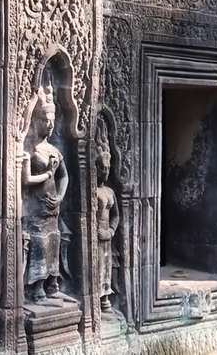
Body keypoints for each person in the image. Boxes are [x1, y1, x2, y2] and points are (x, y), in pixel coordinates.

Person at [22, 78, 69, 303]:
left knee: (54, 241)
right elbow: (26, 180)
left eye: (52, 120)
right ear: (36, 120)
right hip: (35, 210)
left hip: (53, 210)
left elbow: (65, 176)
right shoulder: (30, 151)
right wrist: (46, 175)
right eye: (45, 119)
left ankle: (53, 284)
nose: (49, 124)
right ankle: (37, 287)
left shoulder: (53, 150)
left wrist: (60, 196)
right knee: (39, 244)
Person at [94, 116, 119, 311]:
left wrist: (111, 230)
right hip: (94, 236)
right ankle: (96, 296)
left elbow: (116, 215)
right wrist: (96, 233)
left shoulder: (110, 192)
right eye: (102, 167)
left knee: (106, 267)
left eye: (108, 168)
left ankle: (105, 297)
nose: (105, 171)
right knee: (96, 266)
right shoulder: (92, 192)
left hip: (107, 237)